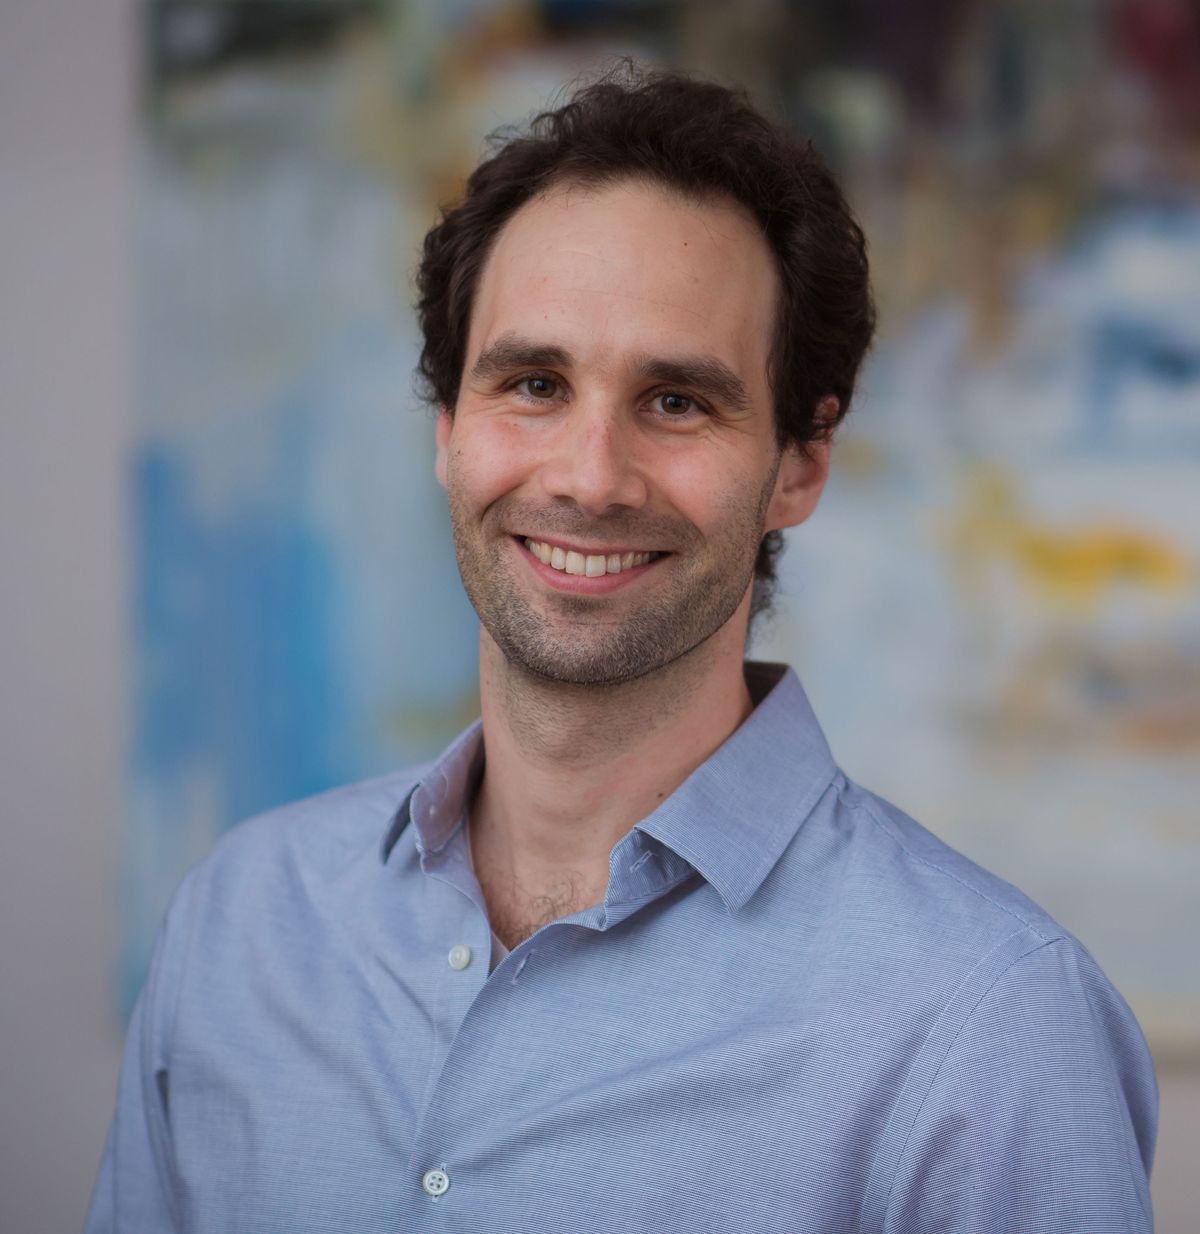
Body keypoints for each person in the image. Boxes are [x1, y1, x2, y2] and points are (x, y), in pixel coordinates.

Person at [86, 66, 1157, 1233]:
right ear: (449, 432)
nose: (591, 478)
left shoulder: (988, 1022)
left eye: (679, 402)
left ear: (799, 464)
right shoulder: (241, 921)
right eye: (534, 384)